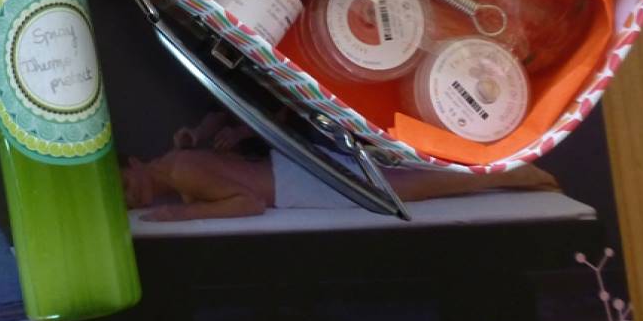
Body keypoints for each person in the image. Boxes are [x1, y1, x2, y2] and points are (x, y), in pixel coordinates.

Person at [122, 111, 560, 222]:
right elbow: (219, 134)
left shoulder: (180, 172)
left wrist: (182, 213)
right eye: (127, 200)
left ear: (135, 163)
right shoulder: (177, 159)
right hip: (290, 171)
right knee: (404, 180)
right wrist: (202, 133)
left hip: (292, 184)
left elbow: (248, 203)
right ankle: (504, 171)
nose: (133, 199)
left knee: (407, 186)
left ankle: (510, 174)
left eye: (125, 186)